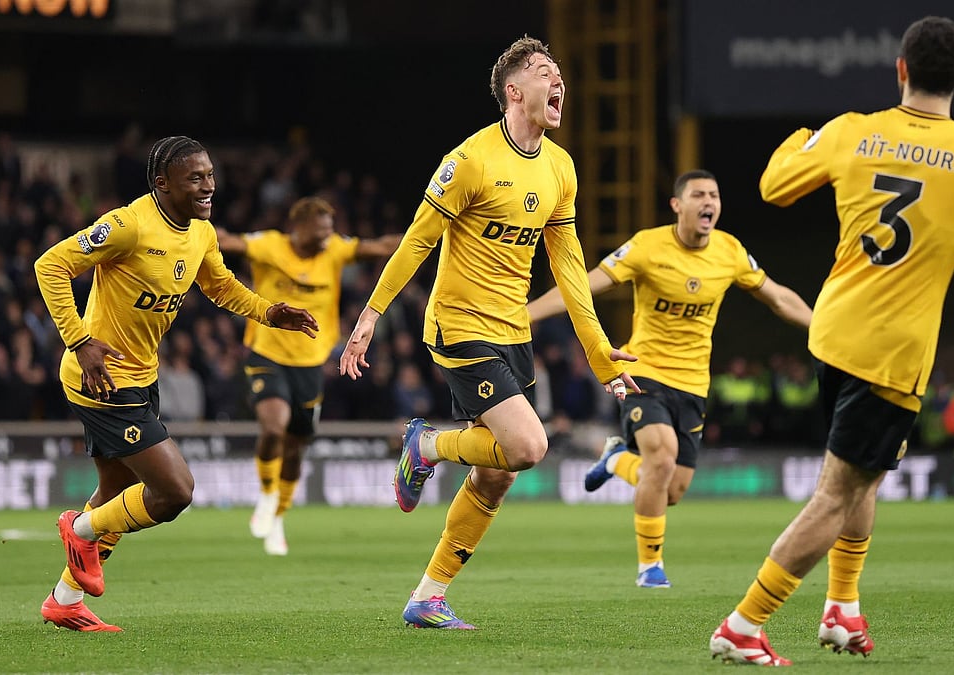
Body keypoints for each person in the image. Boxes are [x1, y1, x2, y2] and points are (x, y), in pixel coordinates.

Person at [708, 17, 954, 666]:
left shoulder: (853, 130)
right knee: (838, 492)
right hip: (892, 353)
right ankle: (744, 623)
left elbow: (774, 186)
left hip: (833, 333)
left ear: (900, 69)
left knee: (864, 479)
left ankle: (842, 607)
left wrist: (808, 134)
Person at [339, 35, 638, 630]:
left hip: (512, 331)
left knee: (497, 473)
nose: (559, 83)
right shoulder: (470, 160)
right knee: (529, 446)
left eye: (560, 74)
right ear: (514, 91)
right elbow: (418, 238)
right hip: (459, 326)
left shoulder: (560, 168)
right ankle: (423, 444)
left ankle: (427, 598)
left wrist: (600, 353)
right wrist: (370, 316)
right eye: (544, 71)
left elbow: (571, 269)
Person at [34, 136, 319, 632]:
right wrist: (79, 340)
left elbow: (219, 284)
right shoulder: (127, 225)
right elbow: (51, 266)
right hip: (101, 380)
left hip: (140, 377)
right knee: (174, 492)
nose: (209, 186)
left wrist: (268, 311)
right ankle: (77, 530)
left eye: (210, 175)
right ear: (162, 183)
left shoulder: (200, 231)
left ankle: (65, 599)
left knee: (116, 493)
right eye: (196, 178)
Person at [526, 170, 811, 588]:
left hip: (694, 384)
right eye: (698, 195)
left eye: (714, 195)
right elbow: (585, 285)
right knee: (660, 459)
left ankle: (616, 459)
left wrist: (823, 327)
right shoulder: (647, 245)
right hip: (644, 372)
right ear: (678, 205)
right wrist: (526, 313)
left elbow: (779, 297)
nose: (708, 201)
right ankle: (650, 568)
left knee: (671, 489)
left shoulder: (730, 251)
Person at [216, 196, 399, 555]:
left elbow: (381, 247)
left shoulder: (334, 250)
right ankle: (267, 496)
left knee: (297, 446)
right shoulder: (269, 246)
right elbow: (226, 241)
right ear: (297, 228)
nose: (327, 238)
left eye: (330, 232)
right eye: (320, 232)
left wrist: (430, 232)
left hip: (311, 363)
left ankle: (279, 516)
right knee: (273, 426)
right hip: (267, 353)